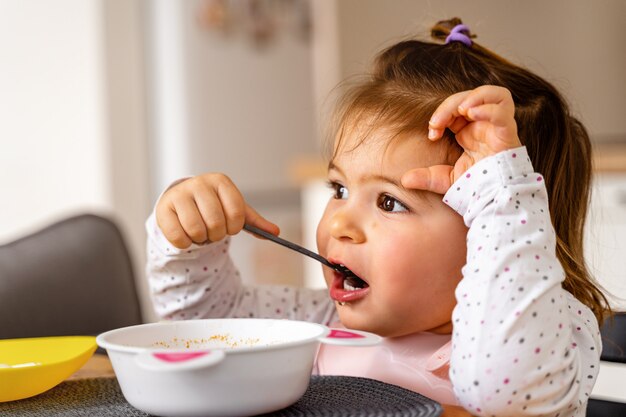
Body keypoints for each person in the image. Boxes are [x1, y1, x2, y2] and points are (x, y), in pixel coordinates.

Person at [145, 18, 611, 416]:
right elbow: (207, 324)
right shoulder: (320, 323)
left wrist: (502, 192)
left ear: (492, 228)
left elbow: (502, 391)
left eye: (390, 202)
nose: (339, 225)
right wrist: (189, 241)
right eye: (339, 189)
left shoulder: (553, 335)